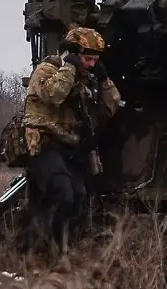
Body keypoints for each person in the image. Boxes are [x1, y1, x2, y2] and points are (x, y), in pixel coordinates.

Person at [20, 26, 121, 248]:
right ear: (73, 54)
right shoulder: (47, 70)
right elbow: (54, 95)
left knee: (78, 197)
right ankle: (35, 247)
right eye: (87, 58)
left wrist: (104, 81)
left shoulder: (88, 80)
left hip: (71, 148)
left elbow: (112, 107)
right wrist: (69, 68)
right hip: (44, 144)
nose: (92, 64)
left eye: (96, 60)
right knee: (62, 193)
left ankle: (59, 249)